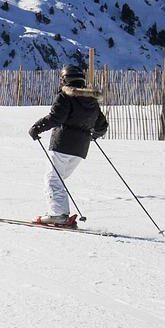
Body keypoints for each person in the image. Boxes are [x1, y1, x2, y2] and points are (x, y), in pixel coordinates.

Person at [29, 63, 107, 227]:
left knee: (53, 180)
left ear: (65, 79)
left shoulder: (65, 96)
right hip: (81, 149)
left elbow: (56, 118)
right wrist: (91, 136)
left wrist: (37, 128)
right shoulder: (91, 100)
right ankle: (59, 212)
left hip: (62, 144)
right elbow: (102, 125)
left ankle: (58, 215)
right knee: (58, 180)